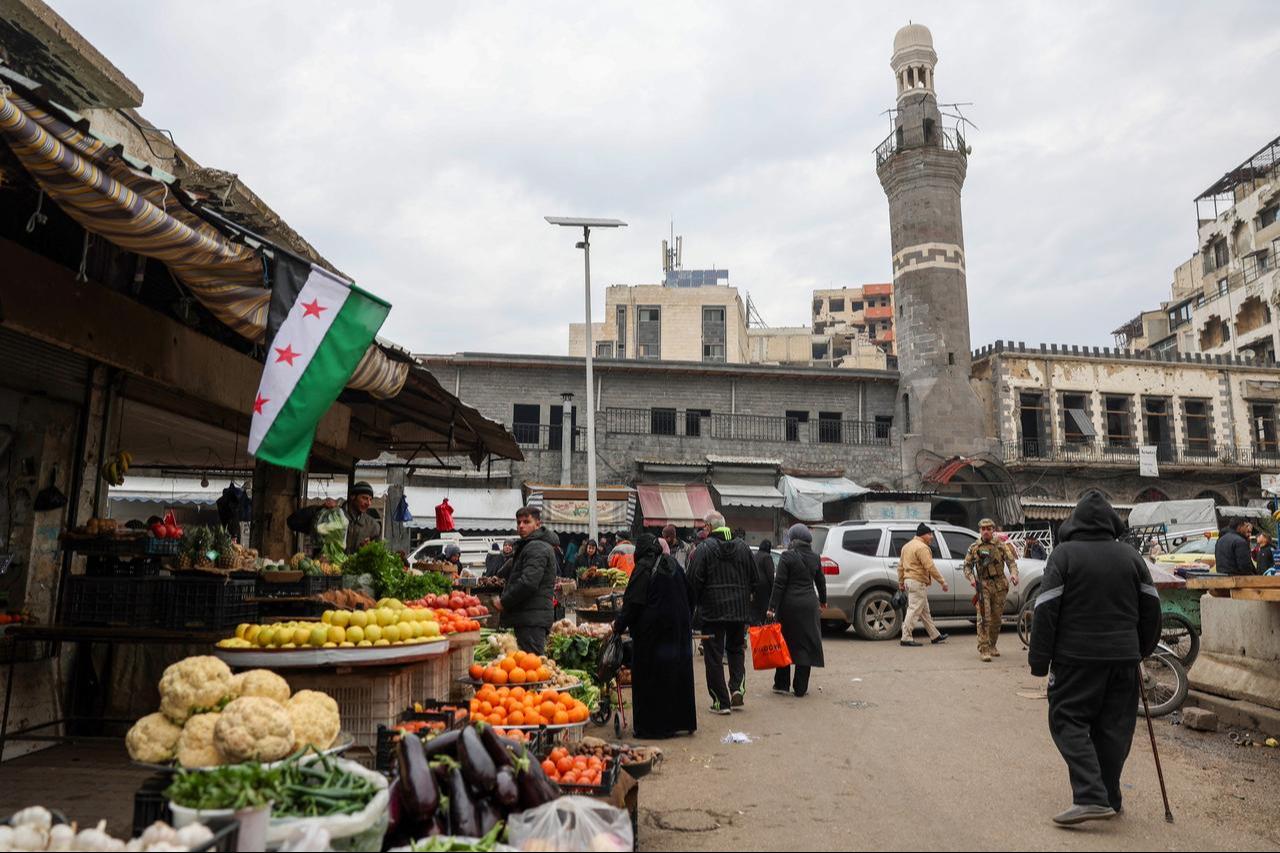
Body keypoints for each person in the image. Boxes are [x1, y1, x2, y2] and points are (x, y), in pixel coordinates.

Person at [1029, 490, 1161, 826]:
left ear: (1075, 522)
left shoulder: (1064, 556)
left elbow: (1045, 610)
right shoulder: (1131, 557)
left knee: (1067, 720)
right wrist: (1141, 649)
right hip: (1123, 660)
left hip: (1076, 660)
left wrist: (1039, 660)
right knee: (1113, 728)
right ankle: (1110, 798)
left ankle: (1089, 796)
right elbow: (1152, 610)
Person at [612, 533, 697, 738]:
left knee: (652, 678)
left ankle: (651, 728)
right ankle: (681, 722)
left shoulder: (643, 567)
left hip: (652, 635)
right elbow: (690, 594)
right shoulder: (673, 563)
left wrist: (618, 625)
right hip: (678, 631)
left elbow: (632, 602)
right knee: (677, 676)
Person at [687, 512, 754, 714]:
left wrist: (692, 608)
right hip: (739, 610)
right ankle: (736, 688)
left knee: (714, 655)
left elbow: (693, 582)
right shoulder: (743, 547)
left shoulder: (704, 549)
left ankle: (721, 702)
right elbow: (754, 577)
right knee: (736, 649)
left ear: (708, 527)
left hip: (713, 611)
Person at [766, 525, 826, 697]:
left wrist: (771, 608)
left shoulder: (787, 556)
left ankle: (781, 684)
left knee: (785, 643)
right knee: (805, 644)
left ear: (793, 539)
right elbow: (820, 582)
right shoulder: (815, 557)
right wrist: (823, 601)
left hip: (789, 606)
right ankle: (800, 687)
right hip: (809, 605)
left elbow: (779, 584)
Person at [495, 506, 558, 653]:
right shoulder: (530, 545)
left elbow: (528, 583)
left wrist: (504, 602)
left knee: (532, 667)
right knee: (528, 667)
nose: (521, 526)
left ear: (538, 524)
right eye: (518, 522)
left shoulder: (537, 547)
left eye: (526, 521)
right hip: (529, 616)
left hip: (532, 619)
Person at [963, 518, 1020, 662]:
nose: (986, 531)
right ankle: (984, 649)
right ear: (980, 530)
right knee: (984, 617)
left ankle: (992, 645)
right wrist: (971, 579)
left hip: (1000, 585)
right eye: (983, 529)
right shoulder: (974, 547)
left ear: (993, 530)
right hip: (983, 585)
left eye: (989, 528)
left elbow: (1011, 562)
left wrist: (1014, 574)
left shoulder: (1001, 546)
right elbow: (967, 566)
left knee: (996, 619)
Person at [287, 481, 381, 555]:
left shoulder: (373, 526)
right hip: (327, 572)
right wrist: (320, 509)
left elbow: (377, 555)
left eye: (370, 499)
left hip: (354, 575)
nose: (368, 503)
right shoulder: (332, 516)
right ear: (353, 497)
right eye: (364, 498)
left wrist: (368, 550)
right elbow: (293, 521)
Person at [898, 523, 950, 647]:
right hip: (917, 582)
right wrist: (942, 581)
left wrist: (900, 582)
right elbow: (930, 566)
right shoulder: (922, 547)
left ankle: (935, 635)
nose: (931, 537)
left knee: (925, 611)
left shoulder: (907, 546)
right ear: (923, 535)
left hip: (910, 581)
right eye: (929, 534)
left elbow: (900, 566)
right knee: (914, 609)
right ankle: (905, 637)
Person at [751, 541, 776, 626]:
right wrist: (774, 588)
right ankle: (763, 632)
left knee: (755, 614)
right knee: (764, 612)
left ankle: (756, 631)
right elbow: (770, 575)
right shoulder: (767, 557)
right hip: (765, 589)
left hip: (754, 587)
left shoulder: (755, 556)